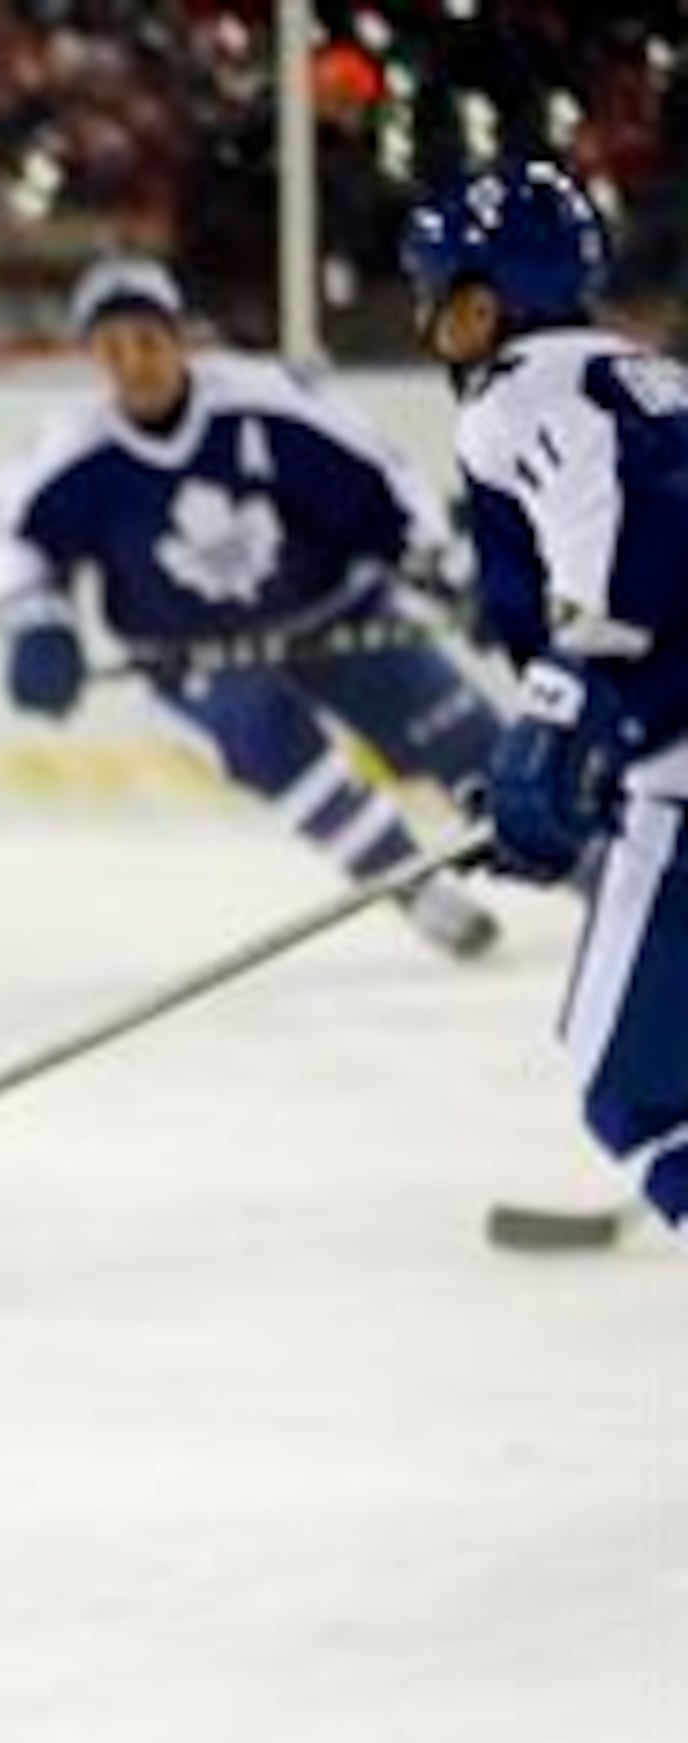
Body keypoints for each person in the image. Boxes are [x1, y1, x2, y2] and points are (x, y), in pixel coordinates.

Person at [0, 254, 504, 961]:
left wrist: (447, 569)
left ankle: (603, 873)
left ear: (179, 337)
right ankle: (414, 888)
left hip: (338, 616)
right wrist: (37, 623)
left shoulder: (265, 401)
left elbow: (381, 484)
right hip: (193, 658)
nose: (134, 363)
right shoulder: (73, 453)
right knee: (270, 740)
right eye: (112, 348)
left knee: (470, 747)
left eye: (147, 340)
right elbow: (10, 538)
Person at [407, 161, 688, 1233]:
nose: (428, 319)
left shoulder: (518, 394)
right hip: (660, 747)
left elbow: (630, 552)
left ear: (481, 304)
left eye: (436, 293)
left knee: (637, 1095)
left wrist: (563, 710)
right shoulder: (647, 373)